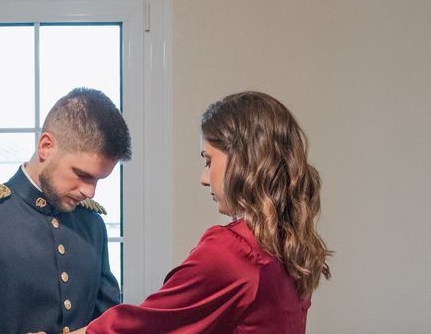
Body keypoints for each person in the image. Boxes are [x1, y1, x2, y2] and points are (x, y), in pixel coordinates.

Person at [38, 91, 331, 334]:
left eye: (208, 160)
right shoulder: (285, 246)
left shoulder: (234, 253)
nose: (204, 178)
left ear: (242, 160)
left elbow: (143, 327)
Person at [0, 87, 132, 334]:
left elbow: (110, 326)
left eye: (98, 180)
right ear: (46, 146)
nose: (90, 192)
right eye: (82, 175)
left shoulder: (91, 225)